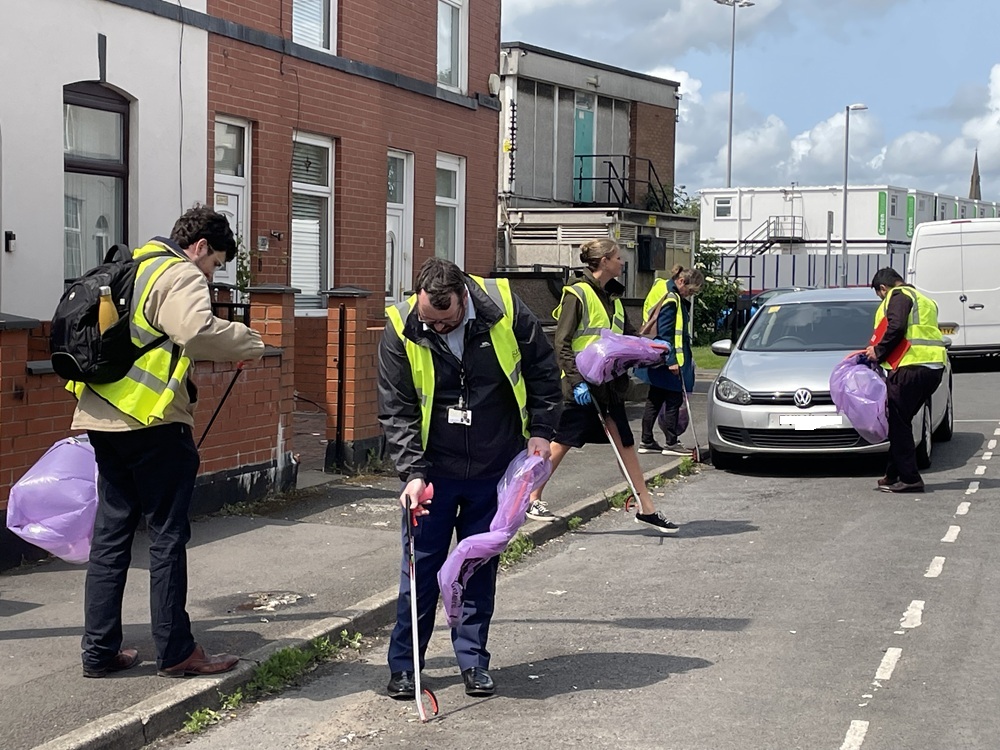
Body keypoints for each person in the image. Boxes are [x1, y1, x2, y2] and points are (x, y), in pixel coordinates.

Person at [72, 205, 265, 679]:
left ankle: (99, 651)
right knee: (166, 537)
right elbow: (195, 331)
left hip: (102, 418)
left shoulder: (134, 265)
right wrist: (248, 341)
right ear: (199, 247)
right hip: (154, 422)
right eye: (215, 262)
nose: (212, 273)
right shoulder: (180, 274)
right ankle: (177, 651)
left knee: (111, 538)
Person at [378, 257, 561, 700]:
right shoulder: (402, 325)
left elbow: (542, 370)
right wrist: (412, 473)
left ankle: (474, 662)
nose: (437, 329)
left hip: (493, 467)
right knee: (420, 571)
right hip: (433, 473)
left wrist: (541, 431)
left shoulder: (505, 307)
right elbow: (397, 407)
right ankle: (406, 667)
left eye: (446, 322)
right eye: (430, 321)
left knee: (477, 570)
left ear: (463, 298)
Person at [526, 238, 680, 533]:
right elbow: (562, 343)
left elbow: (629, 339)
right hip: (582, 387)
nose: (622, 262)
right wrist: (576, 382)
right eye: (618, 257)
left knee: (625, 444)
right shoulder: (577, 294)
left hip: (609, 387)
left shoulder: (614, 299)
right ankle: (531, 497)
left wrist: (653, 349)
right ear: (605, 261)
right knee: (562, 442)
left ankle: (647, 508)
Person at [863, 267, 947, 493]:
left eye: (880, 296)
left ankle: (910, 479)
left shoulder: (898, 296)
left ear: (883, 288)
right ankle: (893, 474)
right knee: (900, 421)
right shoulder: (924, 299)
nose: (882, 300)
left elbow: (897, 326)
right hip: (933, 367)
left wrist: (878, 351)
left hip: (911, 366)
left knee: (898, 422)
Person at [637, 267, 705, 455]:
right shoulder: (672, 299)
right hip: (668, 360)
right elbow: (666, 333)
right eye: (690, 291)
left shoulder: (661, 289)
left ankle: (646, 441)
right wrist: (672, 361)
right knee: (673, 400)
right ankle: (671, 442)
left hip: (656, 358)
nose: (689, 295)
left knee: (654, 399)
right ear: (681, 281)